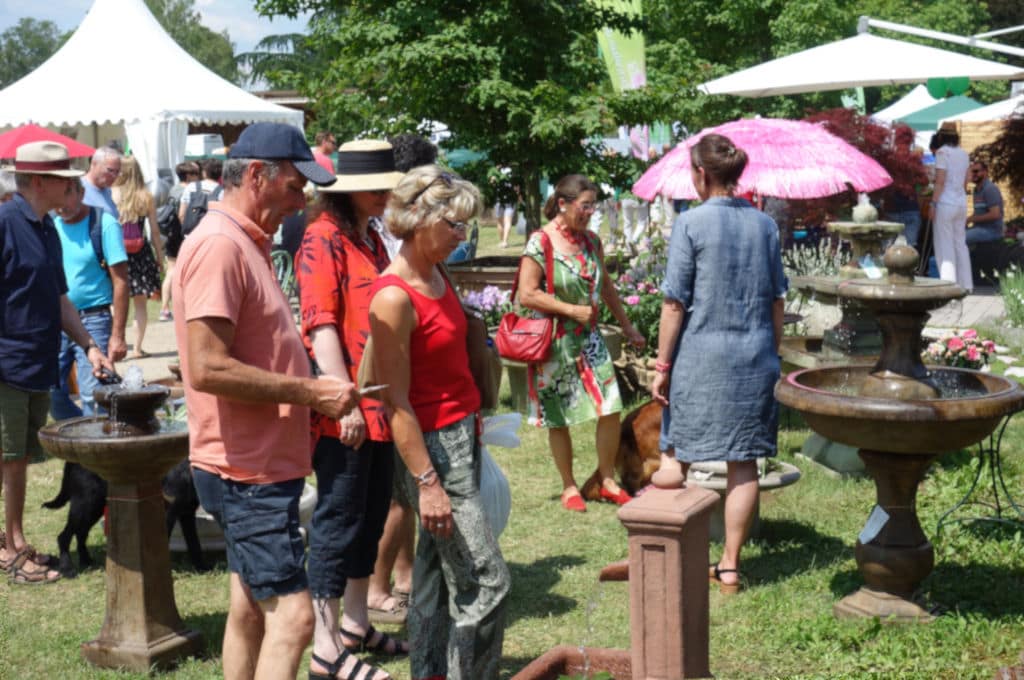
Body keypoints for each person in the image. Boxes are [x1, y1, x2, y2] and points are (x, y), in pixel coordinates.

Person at [173, 121, 358, 680]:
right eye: (295, 187)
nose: (302, 201)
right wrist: (309, 391)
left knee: (249, 608)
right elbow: (206, 366)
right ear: (256, 175)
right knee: (296, 620)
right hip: (243, 471)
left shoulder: (244, 241)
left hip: (252, 464)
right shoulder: (221, 246)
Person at [368, 165, 510, 680]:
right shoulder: (393, 296)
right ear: (419, 217)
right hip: (432, 450)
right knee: (486, 581)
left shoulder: (436, 271)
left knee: (430, 573)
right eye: (454, 225)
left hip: (460, 436)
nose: (462, 236)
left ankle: (429, 671)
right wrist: (428, 485)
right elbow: (396, 402)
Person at [650, 134, 787, 594]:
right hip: (755, 358)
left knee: (677, 458)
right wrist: (774, 354)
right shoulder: (765, 225)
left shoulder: (690, 224)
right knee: (743, 462)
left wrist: (661, 366)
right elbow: (776, 301)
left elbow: (674, 305)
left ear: (701, 174)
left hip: (700, 358)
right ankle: (729, 565)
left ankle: (672, 559)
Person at [296, 140, 407, 680]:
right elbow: (321, 325)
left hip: (382, 404)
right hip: (345, 410)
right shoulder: (323, 239)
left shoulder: (370, 238)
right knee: (337, 523)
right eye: (382, 185)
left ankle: (355, 626)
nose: (390, 193)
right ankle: (324, 650)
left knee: (370, 519)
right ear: (355, 190)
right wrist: (344, 401)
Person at [0, 141, 115, 584]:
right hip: (7, 364)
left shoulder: (46, 227)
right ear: (41, 181)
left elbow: (59, 297)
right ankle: (14, 550)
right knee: (12, 458)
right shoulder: (6, 222)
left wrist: (89, 344)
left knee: (17, 456)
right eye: (66, 180)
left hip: (36, 361)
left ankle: (11, 541)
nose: (73, 186)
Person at [517, 174, 644, 512]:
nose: (590, 213)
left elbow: (607, 288)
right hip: (554, 343)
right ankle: (569, 486)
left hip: (589, 340)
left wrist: (628, 326)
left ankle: (606, 480)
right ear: (563, 204)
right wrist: (570, 309)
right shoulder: (540, 242)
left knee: (610, 407)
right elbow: (526, 294)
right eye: (584, 206)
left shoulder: (591, 242)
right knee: (559, 417)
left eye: (593, 206)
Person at [365, 133, 439, 626]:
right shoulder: (381, 232)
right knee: (398, 494)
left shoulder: (394, 228)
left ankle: (408, 575)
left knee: (405, 496)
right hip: (387, 375)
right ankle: (374, 585)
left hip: (412, 370)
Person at [50, 179, 130, 419]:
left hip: (94, 319)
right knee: (51, 391)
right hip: (60, 320)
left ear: (81, 192)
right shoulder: (52, 225)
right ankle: (78, 443)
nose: (62, 205)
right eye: (58, 197)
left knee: (93, 394)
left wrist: (118, 335)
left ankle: (94, 450)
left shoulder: (103, 224)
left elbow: (121, 281)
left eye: (68, 194)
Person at [112, 156, 164, 358]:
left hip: (118, 253)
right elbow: (155, 231)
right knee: (140, 304)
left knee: (116, 302)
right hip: (141, 253)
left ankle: (117, 342)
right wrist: (159, 257)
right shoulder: (145, 196)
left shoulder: (113, 194)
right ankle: (137, 348)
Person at [929, 129, 972, 291]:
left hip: (946, 203)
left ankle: (948, 284)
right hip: (961, 203)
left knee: (944, 244)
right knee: (960, 244)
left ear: (941, 138)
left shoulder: (942, 153)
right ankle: (966, 284)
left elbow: (940, 181)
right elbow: (966, 181)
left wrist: (933, 203)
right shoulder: (964, 154)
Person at [159, 161, 201, 321]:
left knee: (171, 270)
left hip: (170, 234)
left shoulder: (172, 189)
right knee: (180, 271)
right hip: (181, 234)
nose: (198, 177)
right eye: (196, 174)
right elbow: (185, 215)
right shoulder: (188, 192)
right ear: (189, 175)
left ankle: (164, 308)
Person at [883, 125, 924, 248]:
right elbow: (924, 181)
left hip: (891, 208)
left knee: (887, 250)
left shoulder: (889, 159)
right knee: (909, 250)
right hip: (910, 208)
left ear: (895, 140)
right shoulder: (915, 159)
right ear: (911, 140)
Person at [966, 159, 1004, 245]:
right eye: (971, 172)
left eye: (976, 171)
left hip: (991, 231)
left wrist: (971, 219)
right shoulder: (976, 190)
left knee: (961, 238)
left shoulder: (990, 189)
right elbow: (979, 213)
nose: (973, 174)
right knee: (954, 235)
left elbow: (995, 214)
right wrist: (966, 220)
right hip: (978, 228)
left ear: (985, 172)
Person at [82, 145, 122, 216]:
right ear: (94, 164)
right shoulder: (78, 190)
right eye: (110, 170)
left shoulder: (107, 190)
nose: (114, 176)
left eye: (117, 172)